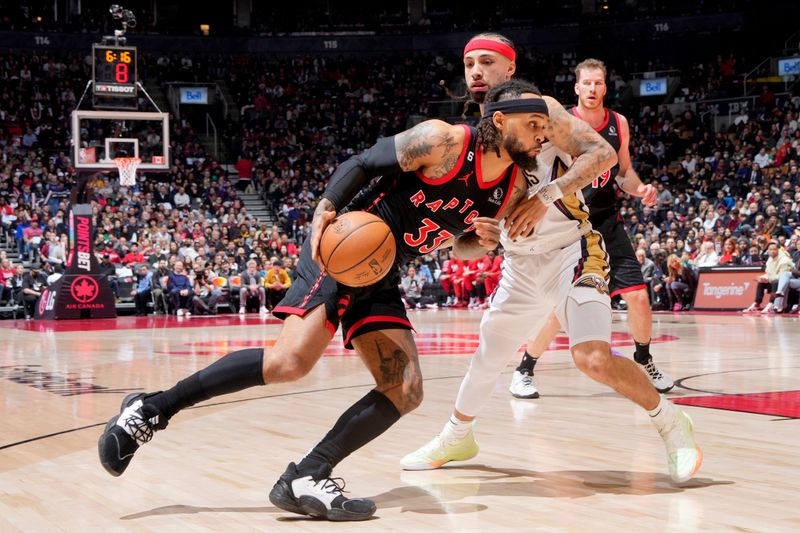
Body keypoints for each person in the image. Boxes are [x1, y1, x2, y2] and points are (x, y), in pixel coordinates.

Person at [97, 79, 564, 520]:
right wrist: (325, 210)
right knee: (289, 362)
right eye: (535, 124)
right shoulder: (442, 140)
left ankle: (306, 476)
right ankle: (152, 409)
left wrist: (479, 243)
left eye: (545, 127)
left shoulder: (513, 189)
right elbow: (363, 163)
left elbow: (455, 243)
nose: (544, 135)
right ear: (501, 121)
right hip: (345, 246)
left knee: (405, 390)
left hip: (382, 270)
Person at [401, 46, 701, 485]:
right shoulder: (464, 140)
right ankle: (456, 436)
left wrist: (546, 196)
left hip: (572, 251)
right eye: (468, 64)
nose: (477, 72)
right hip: (519, 265)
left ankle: (672, 423)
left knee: (592, 358)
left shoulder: (545, 113)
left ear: (510, 68)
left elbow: (603, 155)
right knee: (487, 357)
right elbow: (462, 247)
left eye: (487, 62)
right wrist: (474, 241)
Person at [508, 58, 674, 399]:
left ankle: (643, 360)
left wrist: (640, 188)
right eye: (587, 83)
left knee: (639, 297)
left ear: (605, 86)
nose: (593, 88)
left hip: (606, 222)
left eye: (599, 83)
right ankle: (524, 368)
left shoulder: (619, 123)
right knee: (561, 309)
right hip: (571, 225)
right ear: (577, 88)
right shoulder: (561, 123)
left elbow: (624, 173)